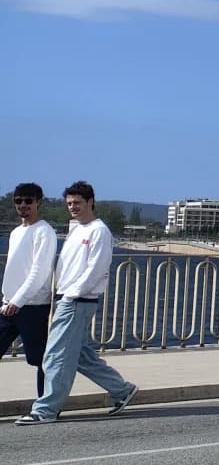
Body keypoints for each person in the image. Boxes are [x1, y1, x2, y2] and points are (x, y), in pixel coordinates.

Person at [18, 181, 138, 424]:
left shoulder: (99, 231)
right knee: (81, 355)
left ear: (90, 202)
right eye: (69, 203)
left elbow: (96, 268)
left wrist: (72, 294)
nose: (72, 207)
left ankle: (46, 410)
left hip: (77, 300)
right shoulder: (77, 229)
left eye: (77, 203)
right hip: (67, 298)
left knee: (56, 355)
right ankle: (122, 390)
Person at [2, 183, 57, 398]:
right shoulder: (16, 232)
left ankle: (46, 404)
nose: (23, 205)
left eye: (28, 201)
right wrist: (9, 300)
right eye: (18, 201)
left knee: (40, 358)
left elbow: (39, 272)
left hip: (33, 306)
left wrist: (18, 300)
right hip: (9, 305)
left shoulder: (44, 232)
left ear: (38, 202)